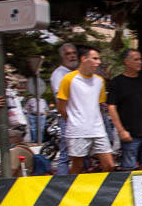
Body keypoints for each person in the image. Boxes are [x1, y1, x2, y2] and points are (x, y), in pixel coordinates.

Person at [56, 46, 113, 175]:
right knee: (78, 166)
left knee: (109, 164)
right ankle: (72, 190)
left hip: (98, 129)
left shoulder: (100, 81)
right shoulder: (69, 79)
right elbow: (61, 106)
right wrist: (72, 121)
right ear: (83, 59)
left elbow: (99, 105)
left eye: (99, 59)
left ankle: (100, 190)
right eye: (95, 58)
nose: (98, 62)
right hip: (78, 130)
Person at [107, 49, 142, 171]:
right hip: (130, 134)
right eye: (136, 59)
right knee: (128, 169)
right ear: (126, 61)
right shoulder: (117, 82)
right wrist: (121, 130)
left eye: (140, 59)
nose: (140, 62)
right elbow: (111, 107)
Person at [48, 42, 79, 175]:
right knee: (66, 154)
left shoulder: (76, 73)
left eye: (74, 53)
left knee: (81, 154)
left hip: (80, 119)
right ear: (62, 57)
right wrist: (68, 118)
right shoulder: (59, 74)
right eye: (68, 54)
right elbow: (60, 99)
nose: (72, 56)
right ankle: (63, 184)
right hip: (69, 119)